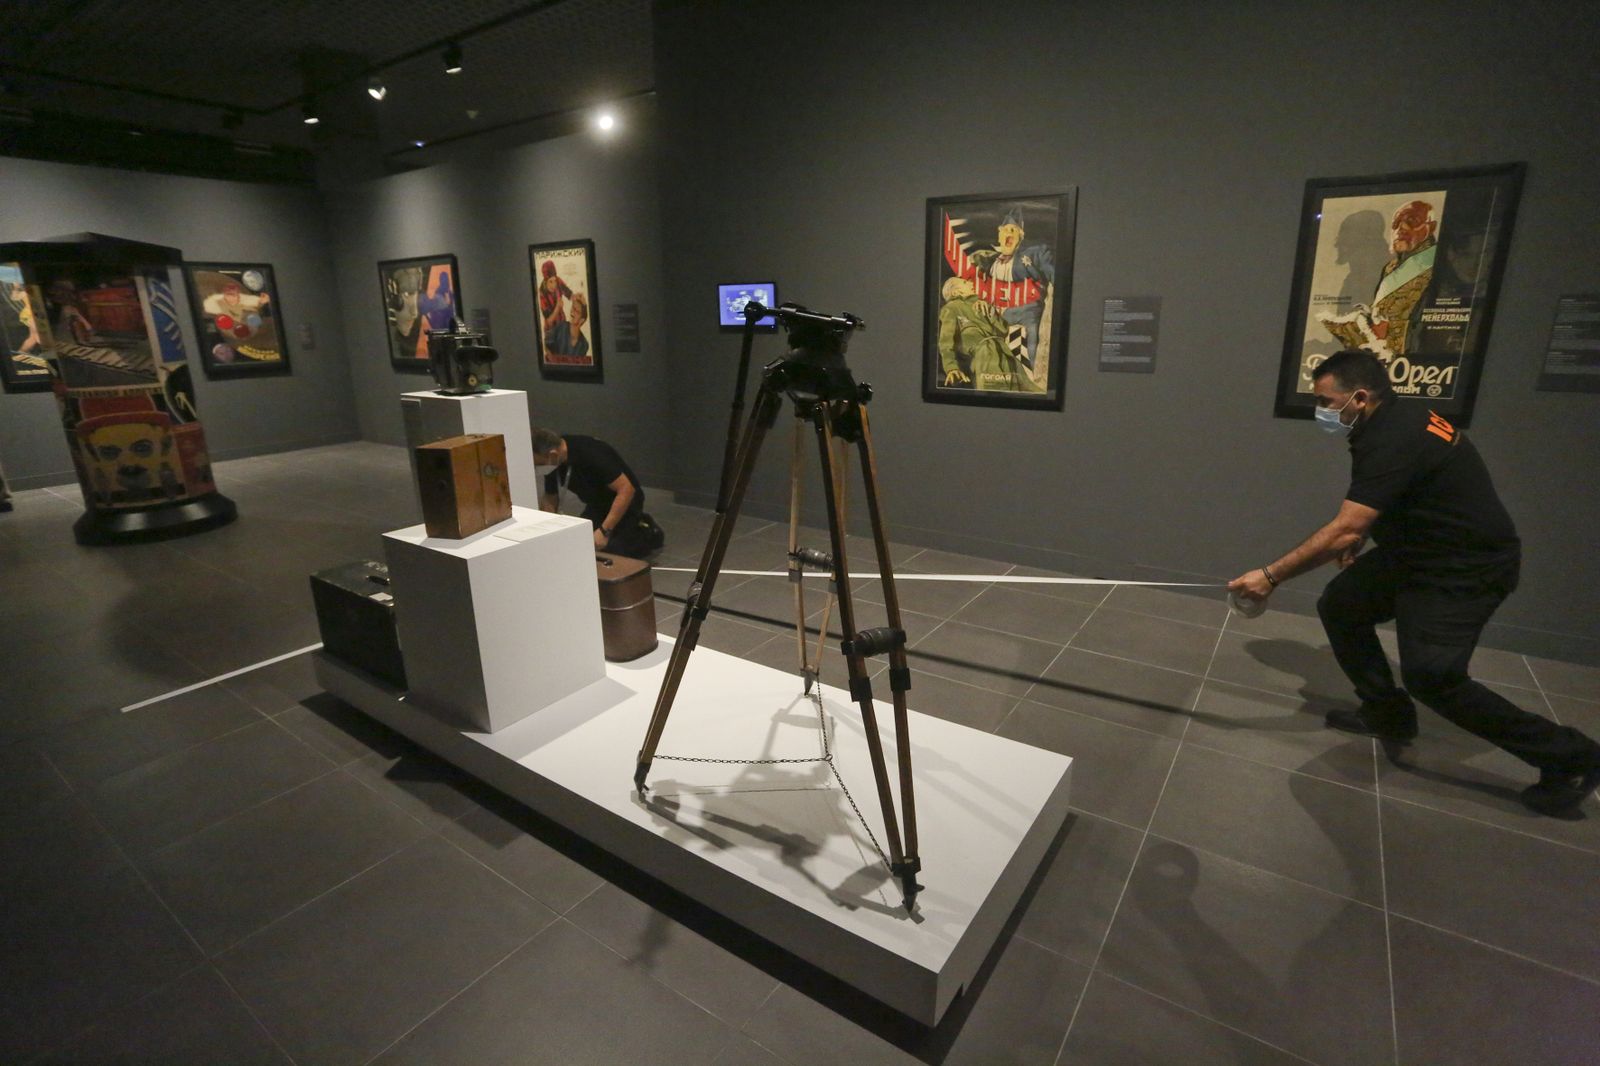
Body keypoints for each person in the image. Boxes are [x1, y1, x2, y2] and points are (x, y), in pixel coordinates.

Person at [1228, 348, 1600, 816]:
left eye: (1326, 402)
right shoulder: (1394, 418)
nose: (1321, 412)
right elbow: (1396, 495)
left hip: (1464, 566)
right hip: (1415, 553)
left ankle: (1572, 756)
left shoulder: (1394, 436)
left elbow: (1345, 524)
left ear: (1359, 397)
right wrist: (1367, 531)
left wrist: (1270, 576)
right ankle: (1388, 713)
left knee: (1433, 676)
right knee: (1342, 604)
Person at [531, 427, 662, 557]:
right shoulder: (553, 462)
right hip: (597, 504)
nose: (538, 468)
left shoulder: (590, 452)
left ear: (553, 454)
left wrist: (604, 532)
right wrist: (546, 531)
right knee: (579, 543)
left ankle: (646, 531)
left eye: (538, 464)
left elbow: (626, 490)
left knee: (611, 554)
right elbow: (550, 497)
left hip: (625, 502)